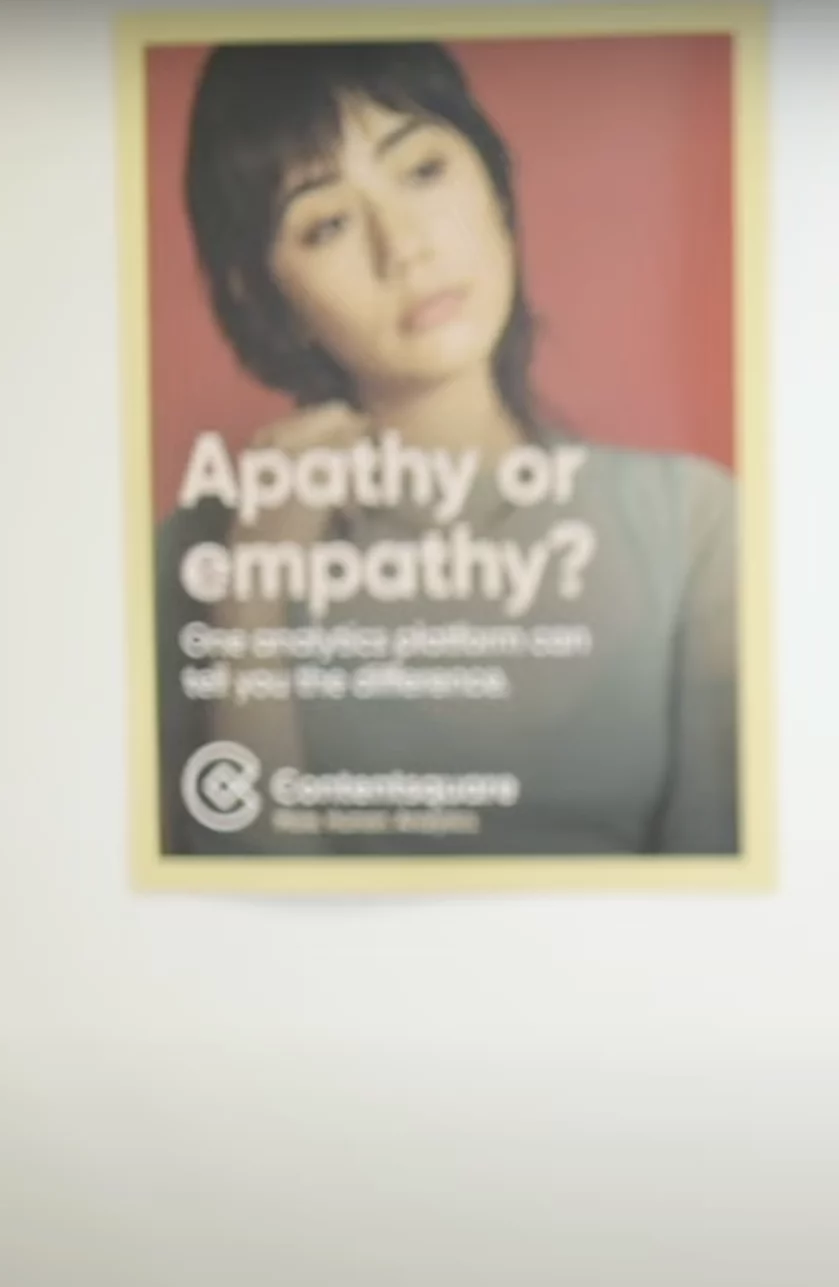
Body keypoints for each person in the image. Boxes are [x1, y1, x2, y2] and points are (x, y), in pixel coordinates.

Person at [150, 41, 739, 857]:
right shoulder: (197, 559)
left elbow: (728, 918)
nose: (405, 248)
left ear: (495, 186)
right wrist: (254, 586)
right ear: (266, 294)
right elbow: (226, 912)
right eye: (326, 223)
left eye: (422, 170)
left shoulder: (691, 524)